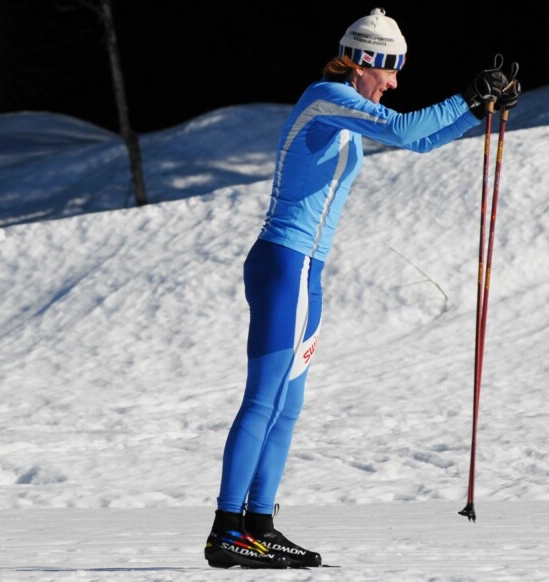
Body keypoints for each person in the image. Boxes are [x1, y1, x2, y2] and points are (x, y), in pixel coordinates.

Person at [203, 7, 521, 569]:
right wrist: (466, 94)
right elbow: (405, 127)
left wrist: (479, 110)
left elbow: (419, 143)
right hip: (286, 263)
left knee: (289, 403)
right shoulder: (326, 97)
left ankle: (259, 524)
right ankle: (227, 528)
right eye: (390, 71)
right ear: (363, 65)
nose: (395, 83)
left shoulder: (348, 112)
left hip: (304, 269)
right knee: (265, 398)